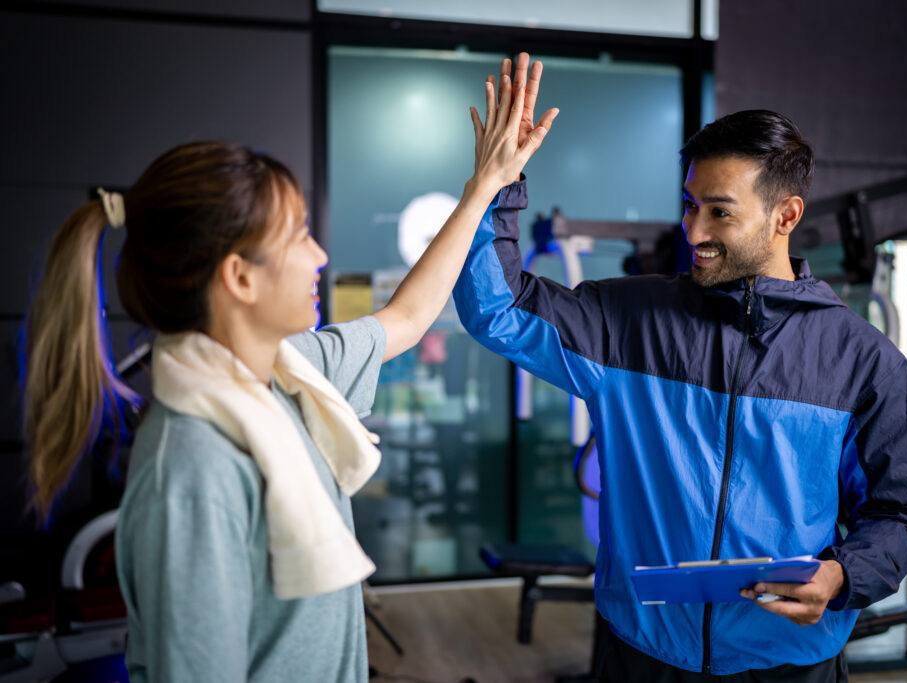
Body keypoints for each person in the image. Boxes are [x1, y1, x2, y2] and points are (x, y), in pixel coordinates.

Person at [21, 60, 556, 682]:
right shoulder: (192, 469)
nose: (320, 256)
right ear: (239, 277)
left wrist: (486, 185)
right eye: (299, 236)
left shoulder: (294, 368)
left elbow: (408, 317)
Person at [453, 60, 907, 682]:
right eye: (689, 205)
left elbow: (901, 513)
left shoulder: (865, 362)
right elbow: (497, 308)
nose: (694, 230)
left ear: (786, 216)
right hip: (641, 656)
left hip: (786, 661)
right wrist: (498, 182)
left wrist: (843, 575)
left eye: (720, 212)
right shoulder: (624, 320)